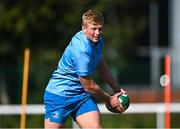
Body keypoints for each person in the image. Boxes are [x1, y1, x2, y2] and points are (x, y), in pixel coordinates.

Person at [44, 9, 126, 129]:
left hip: (81, 96)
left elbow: (100, 64)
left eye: (100, 28)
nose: (97, 33)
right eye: (94, 28)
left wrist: (117, 89)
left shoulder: (97, 41)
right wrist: (109, 99)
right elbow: (89, 86)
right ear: (84, 29)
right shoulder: (81, 49)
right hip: (60, 95)